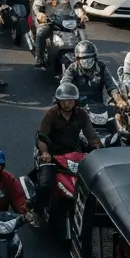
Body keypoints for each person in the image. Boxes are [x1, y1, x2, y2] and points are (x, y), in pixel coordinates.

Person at [32, 83, 101, 215]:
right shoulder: (51, 114)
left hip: (74, 156)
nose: (67, 104)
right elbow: (42, 136)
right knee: (45, 185)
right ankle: (35, 212)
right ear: (58, 101)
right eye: (64, 101)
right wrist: (45, 152)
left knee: (91, 186)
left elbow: (91, 135)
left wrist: (99, 149)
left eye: (70, 100)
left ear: (75, 101)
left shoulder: (82, 115)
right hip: (53, 156)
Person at [62, 41, 129, 129]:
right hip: (77, 105)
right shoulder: (72, 68)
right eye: (84, 60)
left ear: (95, 58)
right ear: (78, 59)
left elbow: (111, 85)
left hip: (98, 105)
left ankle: (122, 134)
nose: (87, 63)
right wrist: (67, 97)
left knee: (119, 115)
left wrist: (119, 99)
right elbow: (65, 84)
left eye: (90, 59)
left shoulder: (101, 67)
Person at [31, 0, 88, 68]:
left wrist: (81, 14)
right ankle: (39, 57)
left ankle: (85, 57)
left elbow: (76, 6)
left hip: (65, 20)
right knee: (41, 33)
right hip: (48, 20)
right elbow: (36, 7)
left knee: (81, 34)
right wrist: (40, 14)